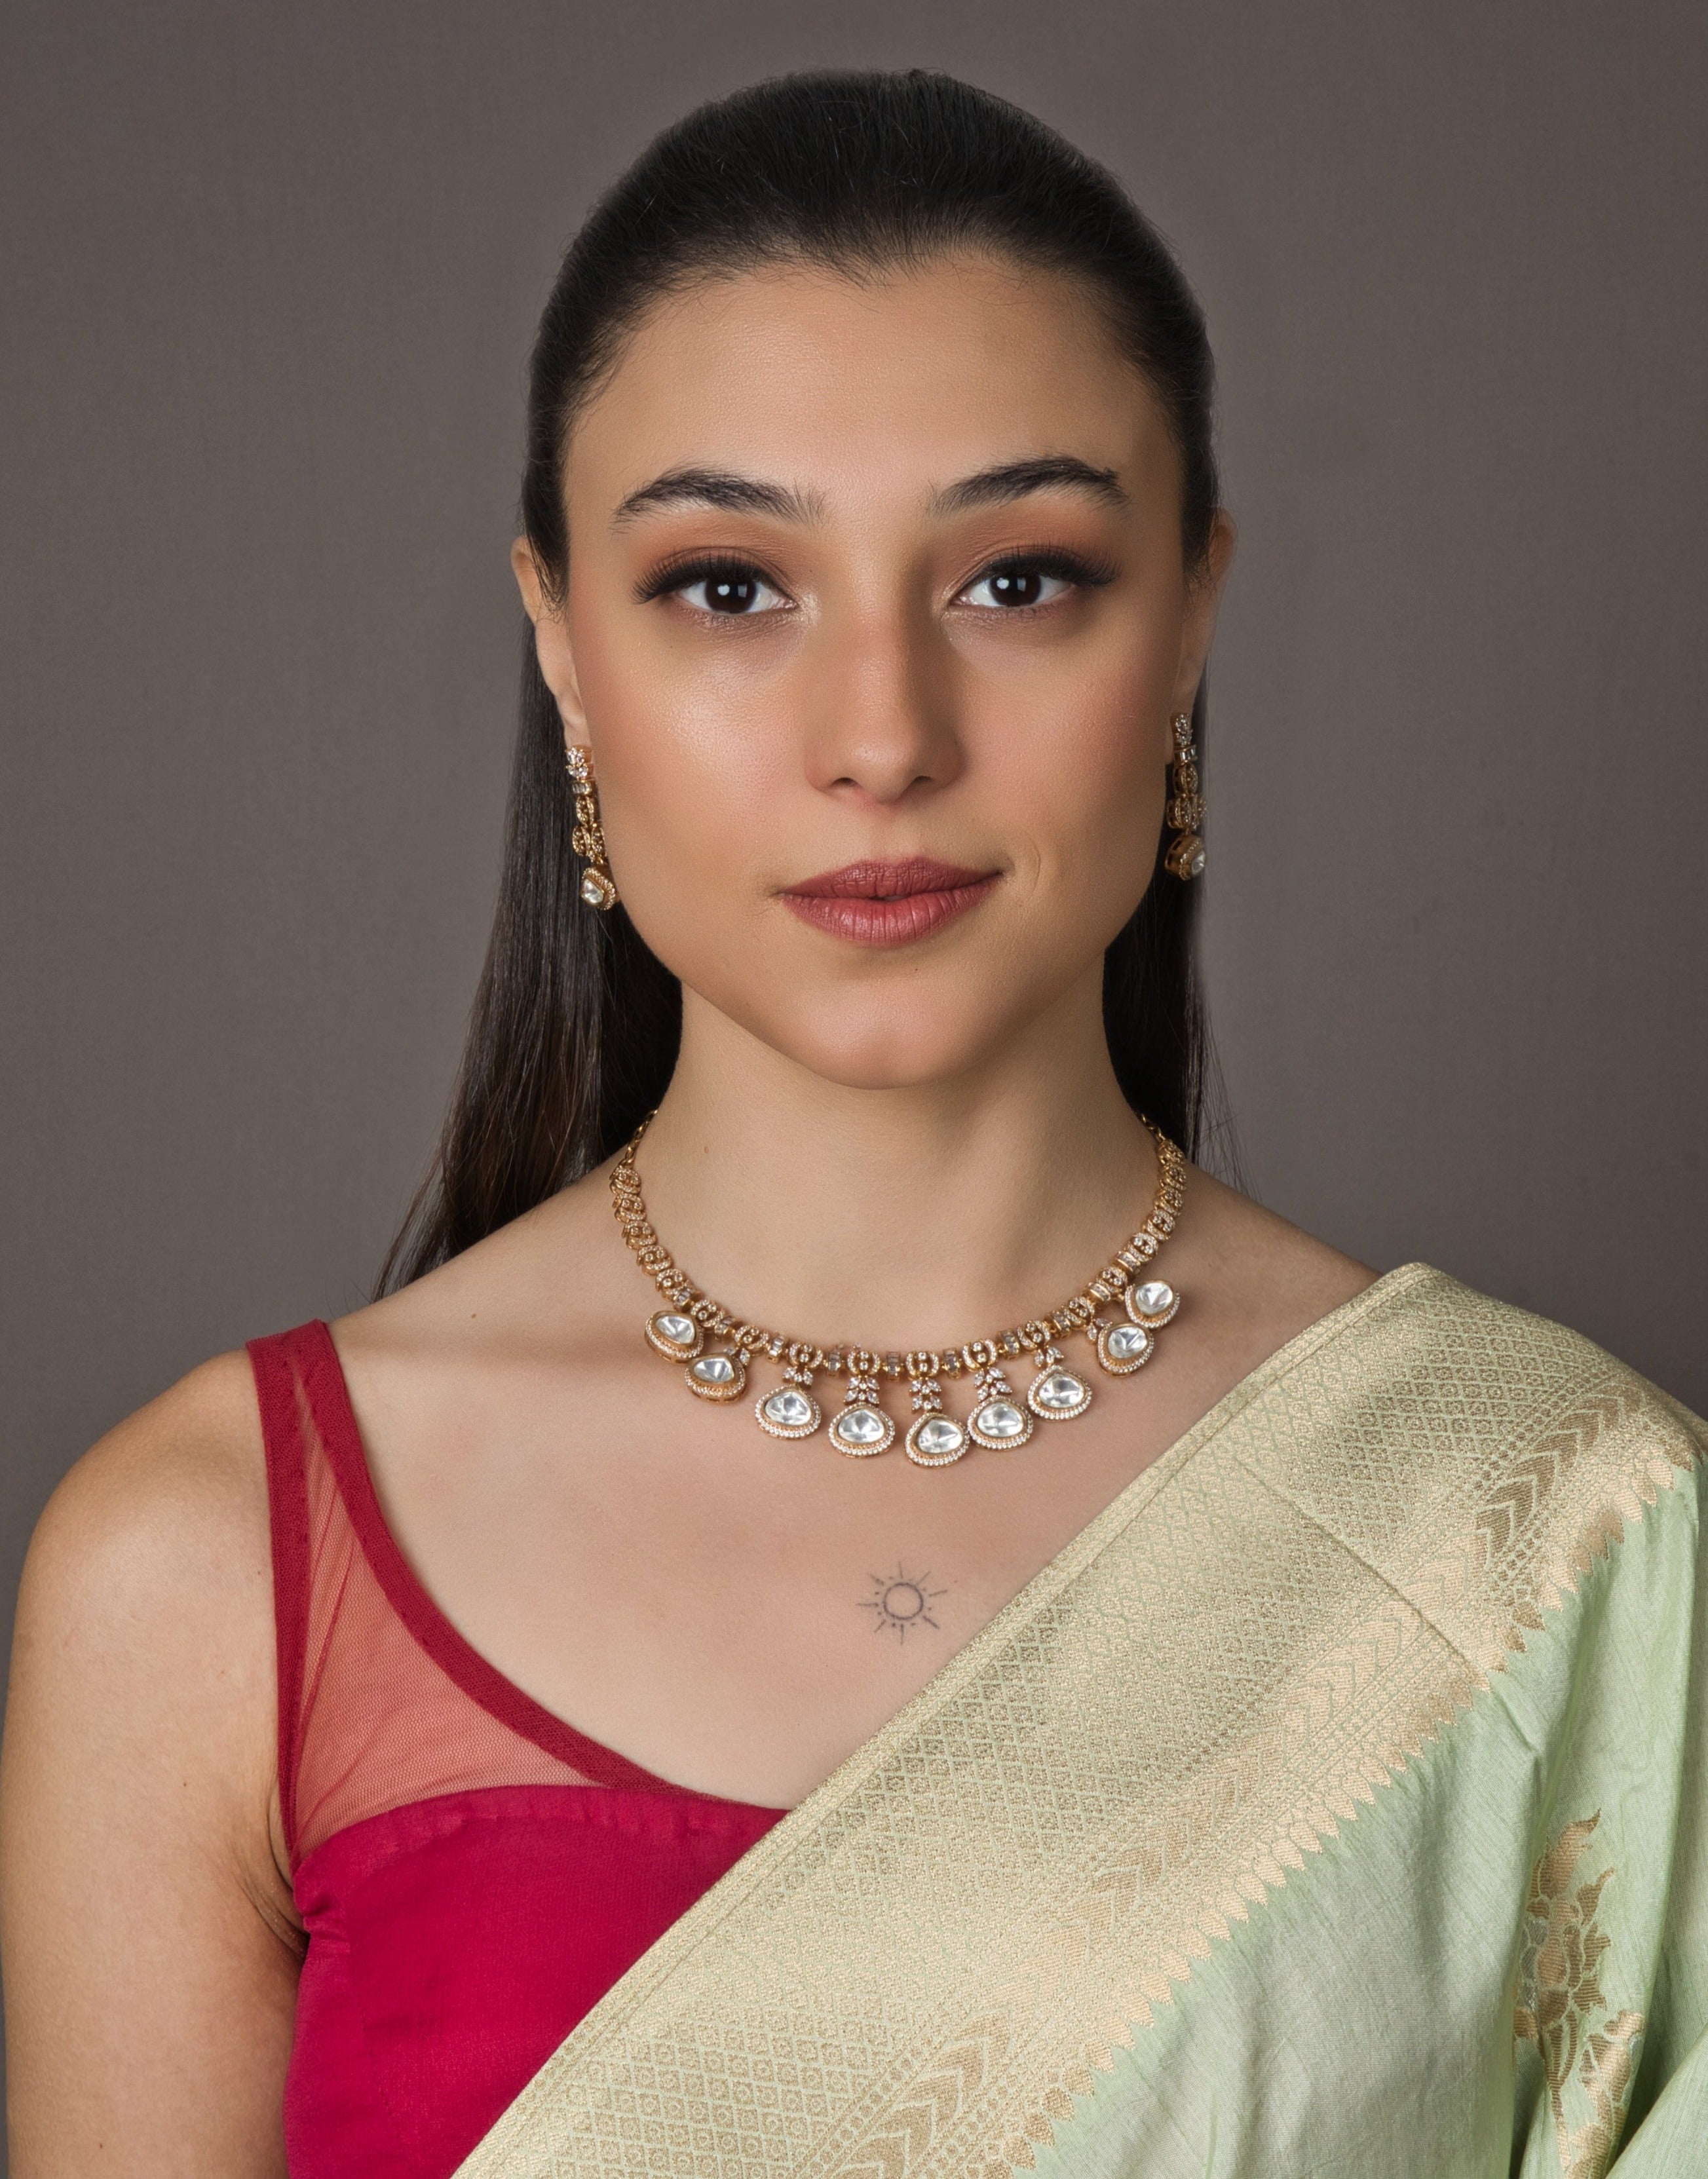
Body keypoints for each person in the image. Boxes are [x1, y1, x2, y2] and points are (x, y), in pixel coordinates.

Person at [1, 68, 1701, 2179]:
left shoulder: (1556, 1542)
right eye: (731, 587)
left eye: (1020, 580)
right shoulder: (206, 1572)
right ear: (561, 647)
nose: (882, 737)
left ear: (1191, 617)